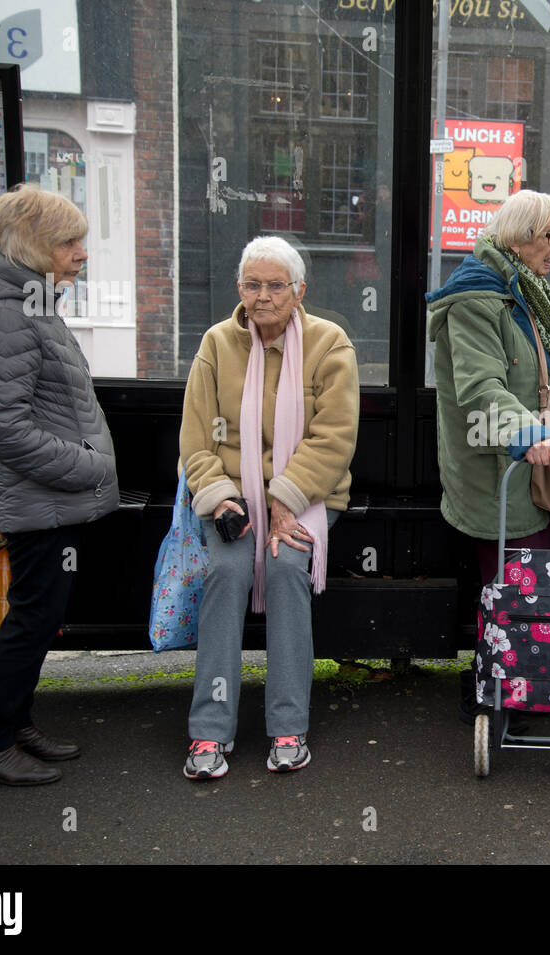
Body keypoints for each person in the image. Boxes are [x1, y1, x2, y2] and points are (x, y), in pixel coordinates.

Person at [0, 183, 120, 785]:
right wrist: (88, 465)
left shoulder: (30, 301)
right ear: (34, 246)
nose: (81, 253)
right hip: (43, 500)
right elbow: (4, 426)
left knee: (37, 618)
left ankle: (13, 724)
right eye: (69, 242)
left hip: (46, 499)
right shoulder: (5, 313)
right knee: (30, 621)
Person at [425, 189, 550, 717]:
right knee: (512, 581)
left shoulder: (522, 288)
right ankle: (502, 686)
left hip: (531, 456)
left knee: (527, 578)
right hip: (498, 463)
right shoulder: (477, 300)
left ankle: (524, 676)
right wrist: (528, 434)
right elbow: (482, 387)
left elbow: (541, 366)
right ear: (521, 236)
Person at [179, 236, 359, 779]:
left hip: (307, 493)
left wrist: (285, 497)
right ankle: (209, 734)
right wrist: (221, 498)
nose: (263, 297)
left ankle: (288, 727)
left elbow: (334, 439)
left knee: (284, 571)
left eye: (275, 285)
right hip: (231, 497)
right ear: (240, 289)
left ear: (299, 291)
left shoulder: (330, 344)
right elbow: (195, 442)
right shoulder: (216, 345)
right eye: (252, 285)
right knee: (227, 571)